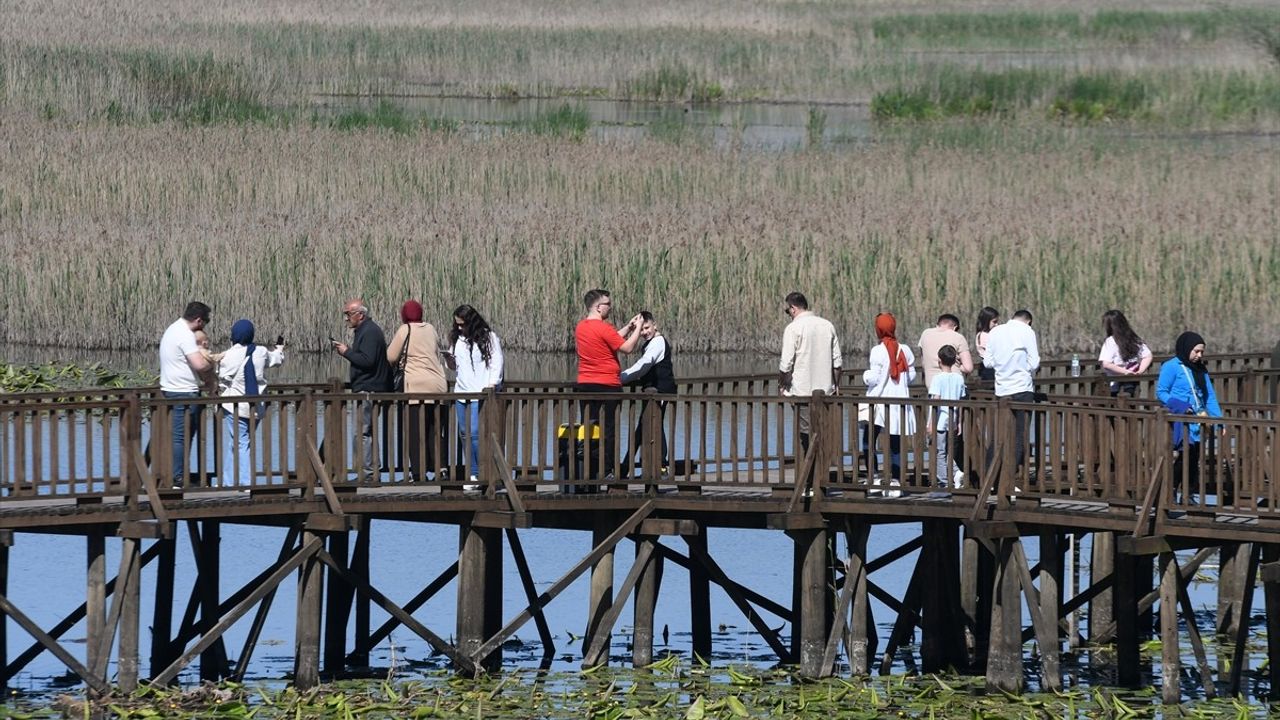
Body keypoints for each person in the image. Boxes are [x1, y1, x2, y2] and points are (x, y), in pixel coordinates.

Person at [574, 289, 644, 483]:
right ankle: (607, 471)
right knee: (609, 430)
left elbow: (610, 339)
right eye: (608, 304)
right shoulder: (603, 328)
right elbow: (627, 348)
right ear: (598, 307)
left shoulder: (581, 327)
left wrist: (628, 327)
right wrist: (638, 328)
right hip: (607, 385)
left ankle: (590, 469)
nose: (610, 307)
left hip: (586, 384)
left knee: (590, 427)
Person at [386, 300, 448, 484]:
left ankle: (418, 473)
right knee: (435, 430)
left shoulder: (405, 330)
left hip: (417, 387)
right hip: (438, 385)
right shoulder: (430, 328)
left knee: (415, 432)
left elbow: (390, 356)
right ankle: (441, 469)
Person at [217, 320, 284, 487]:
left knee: (240, 442)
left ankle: (245, 484)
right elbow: (276, 360)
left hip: (234, 406)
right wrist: (280, 349)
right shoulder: (261, 352)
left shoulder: (228, 355)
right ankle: (227, 482)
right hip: (255, 406)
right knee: (240, 442)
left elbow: (220, 374)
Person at [1157, 332, 1222, 498]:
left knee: (1194, 458)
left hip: (1198, 419)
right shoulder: (1171, 366)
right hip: (1180, 418)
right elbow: (1161, 392)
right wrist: (1180, 405)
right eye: (1196, 351)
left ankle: (1189, 494)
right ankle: (1170, 490)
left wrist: (1219, 421)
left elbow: (1209, 396)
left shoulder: (1200, 368)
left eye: (1202, 352)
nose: (1199, 355)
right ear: (1186, 349)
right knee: (1186, 454)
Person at [333, 299, 393, 480]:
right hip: (369, 388)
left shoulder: (370, 332)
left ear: (361, 314)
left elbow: (368, 361)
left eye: (349, 314)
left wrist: (346, 352)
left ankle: (367, 473)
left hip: (369, 389)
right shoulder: (366, 330)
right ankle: (370, 472)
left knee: (362, 432)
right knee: (365, 432)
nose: (346, 319)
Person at [447, 304, 504, 492]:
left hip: (480, 392)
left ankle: (482, 472)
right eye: (457, 325)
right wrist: (449, 361)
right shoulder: (457, 339)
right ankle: (472, 473)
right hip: (461, 392)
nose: (460, 328)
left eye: (462, 324)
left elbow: (496, 362)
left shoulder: (489, 337)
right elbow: (455, 367)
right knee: (464, 434)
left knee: (475, 433)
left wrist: (492, 384)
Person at [159, 301, 214, 487]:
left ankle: (179, 474)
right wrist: (212, 362)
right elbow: (199, 364)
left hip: (172, 389)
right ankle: (178, 478)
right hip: (182, 392)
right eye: (205, 322)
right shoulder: (185, 334)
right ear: (198, 320)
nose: (204, 325)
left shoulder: (173, 329)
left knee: (180, 436)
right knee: (181, 437)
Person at [779, 292, 843, 454]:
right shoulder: (827, 325)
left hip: (802, 391)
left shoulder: (793, 328)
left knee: (805, 434)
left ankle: (809, 474)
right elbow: (837, 363)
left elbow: (786, 364)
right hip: (826, 392)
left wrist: (783, 386)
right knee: (822, 431)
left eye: (788, 311)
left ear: (793, 309)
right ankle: (821, 472)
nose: (789, 315)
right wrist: (835, 385)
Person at [620, 311, 675, 476]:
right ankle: (630, 467)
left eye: (646, 328)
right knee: (647, 426)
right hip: (653, 392)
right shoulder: (651, 342)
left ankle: (661, 466)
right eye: (641, 330)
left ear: (655, 325)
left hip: (661, 391)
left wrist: (622, 377)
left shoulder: (658, 342)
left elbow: (644, 365)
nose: (644, 332)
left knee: (655, 426)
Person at [984, 308, 1040, 469]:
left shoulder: (995, 331)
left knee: (998, 435)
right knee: (1019, 436)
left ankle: (991, 476)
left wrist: (1003, 364)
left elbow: (987, 362)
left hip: (1001, 390)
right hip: (1022, 388)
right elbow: (1034, 362)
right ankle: (1009, 477)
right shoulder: (1027, 331)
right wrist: (1021, 366)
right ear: (1028, 321)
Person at [863, 313, 916, 482]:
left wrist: (865, 376)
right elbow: (911, 375)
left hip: (878, 402)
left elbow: (874, 378)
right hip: (899, 401)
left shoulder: (877, 351)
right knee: (896, 444)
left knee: (868, 441)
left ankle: (873, 476)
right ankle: (896, 480)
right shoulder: (905, 349)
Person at [927, 345, 967, 489]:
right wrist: (960, 422)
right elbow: (961, 402)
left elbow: (935, 401)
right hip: (953, 420)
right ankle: (956, 474)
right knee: (949, 451)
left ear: (939, 360)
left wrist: (931, 422)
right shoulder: (959, 379)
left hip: (939, 421)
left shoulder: (937, 379)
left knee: (940, 452)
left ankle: (944, 482)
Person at [1099, 309, 1153, 397]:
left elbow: (1106, 364)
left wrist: (1125, 372)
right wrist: (1139, 371)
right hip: (1131, 381)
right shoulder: (1134, 338)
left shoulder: (1110, 341)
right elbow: (1148, 356)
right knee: (1131, 402)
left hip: (1113, 384)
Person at [918, 313, 973, 388]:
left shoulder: (925, 334)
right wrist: (955, 363)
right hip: (954, 386)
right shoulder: (958, 337)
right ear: (955, 327)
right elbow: (968, 368)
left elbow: (923, 362)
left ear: (938, 325)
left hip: (932, 387)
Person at [974, 307, 1000, 383]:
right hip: (989, 368)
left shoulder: (991, 334)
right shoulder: (983, 335)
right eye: (994, 322)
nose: (996, 324)